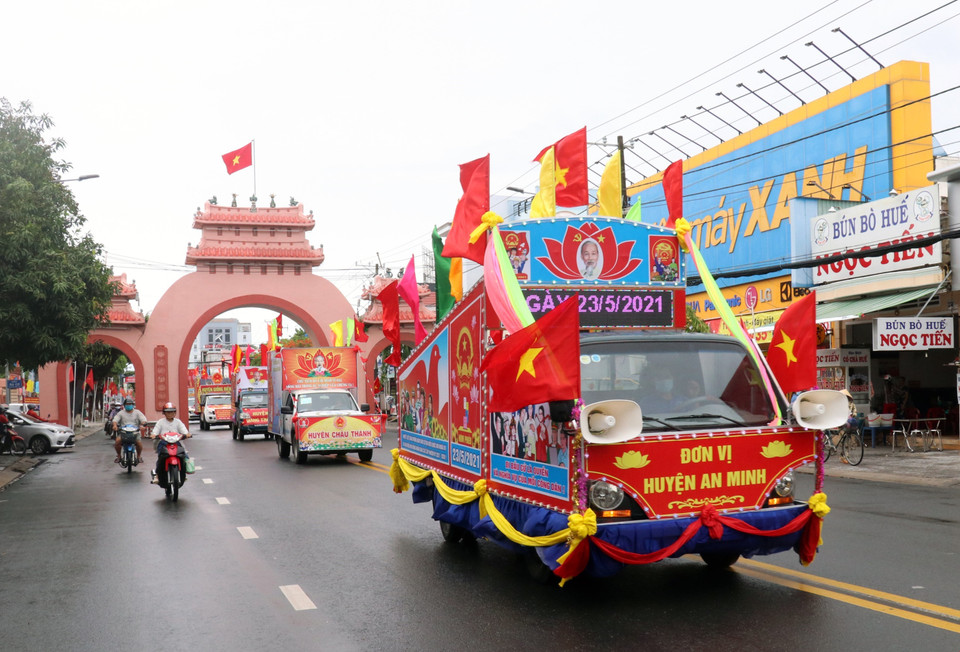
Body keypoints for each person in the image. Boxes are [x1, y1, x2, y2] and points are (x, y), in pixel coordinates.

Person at [150, 402, 191, 484]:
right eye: (168, 412)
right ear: (164, 413)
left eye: (172, 411)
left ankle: (183, 473)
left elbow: (185, 431)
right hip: (164, 443)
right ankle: (157, 475)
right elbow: (155, 432)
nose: (170, 414)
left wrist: (187, 434)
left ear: (175, 412)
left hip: (176, 443)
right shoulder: (160, 422)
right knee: (161, 458)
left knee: (184, 456)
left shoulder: (178, 422)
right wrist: (154, 435)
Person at [112, 396, 147, 464]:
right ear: (124, 405)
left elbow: (143, 420)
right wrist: (115, 425)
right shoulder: (121, 413)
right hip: (123, 432)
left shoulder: (137, 412)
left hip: (135, 433)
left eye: (130, 404)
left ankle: (139, 456)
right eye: (127, 404)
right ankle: (119, 456)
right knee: (117, 441)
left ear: (132, 405)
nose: (128, 406)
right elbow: (115, 420)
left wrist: (143, 425)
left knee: (139, 443)